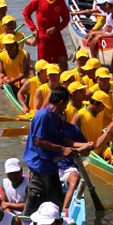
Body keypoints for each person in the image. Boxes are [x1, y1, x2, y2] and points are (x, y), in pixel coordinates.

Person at [22, 87, 94, 215]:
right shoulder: (42, 116)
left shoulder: (58, 118)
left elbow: (65, 141)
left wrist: (84, 145)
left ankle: (58, 223)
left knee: (56, 198)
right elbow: (39, 141)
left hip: (52, 165)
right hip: (39, 164)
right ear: (61, 102)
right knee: (35, 196)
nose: (66, 107)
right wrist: (62, 149)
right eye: (66, 103)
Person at [23, 0, 70, 68]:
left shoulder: (60, 1)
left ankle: (64, 80)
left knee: (63, 61)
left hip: (56, 36)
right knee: (44, 66)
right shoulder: (38, 0)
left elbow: (66, 19)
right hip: (43, 37)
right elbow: (26, 13)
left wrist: (57, 28)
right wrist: (33, 29)